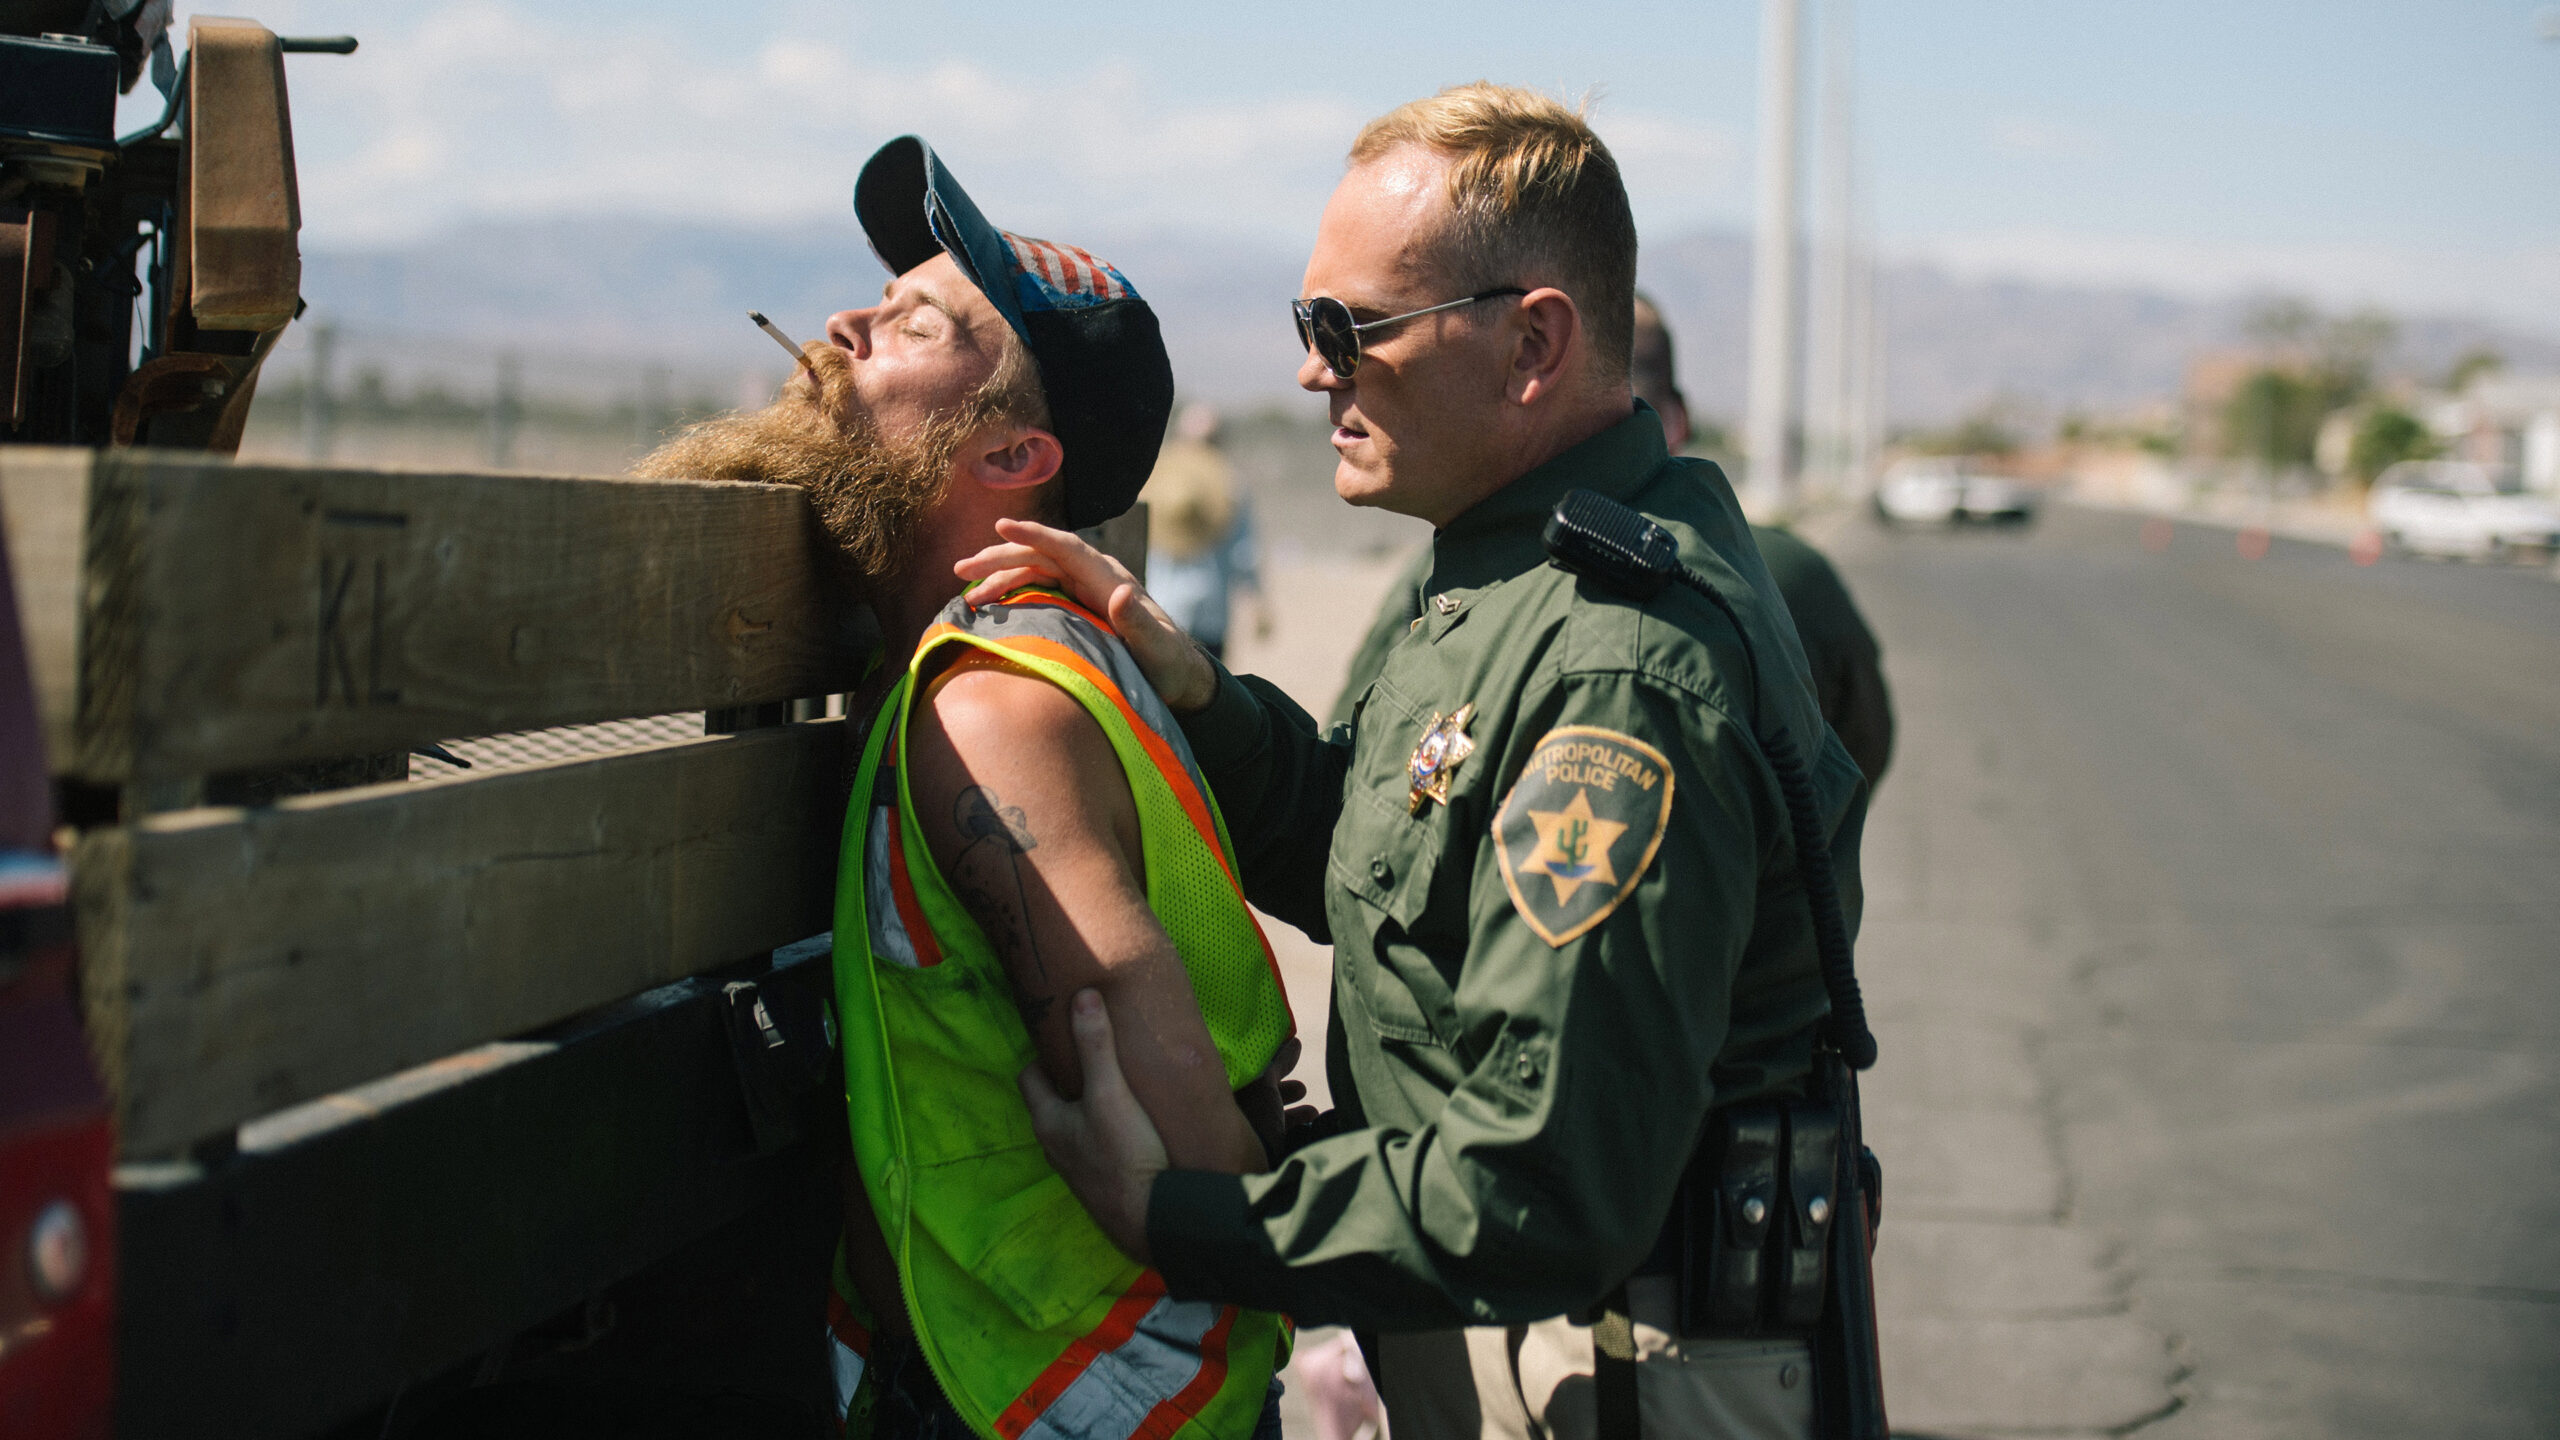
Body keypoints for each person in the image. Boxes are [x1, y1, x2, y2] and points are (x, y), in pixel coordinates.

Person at [956, 86, 1869, 1440]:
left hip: (1603, 1364)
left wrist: (1182, 1215)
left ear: (1532, 344)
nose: (1314, 371)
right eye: (1307, 325)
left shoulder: (1617, 668)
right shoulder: (1516, 569)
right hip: (1522, 1332)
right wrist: (1196, 690)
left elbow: (1539, 1185)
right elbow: (1386, 864)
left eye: (1352, 329)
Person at [636, 136, 1296, 1440]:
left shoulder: (988, 714)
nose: (844, 327)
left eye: (915, 325)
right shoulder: (978, 661)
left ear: (1009, 459)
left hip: (1069, 1399)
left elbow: (1165, 1108)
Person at [1330, 293, 1893, 789]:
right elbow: (1853, 759)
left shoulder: (1457, 569)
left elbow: (1356, 757)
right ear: (1678, 419)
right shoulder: (1786, 570)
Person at [1141, 403, 1272, 663]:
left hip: (1161, 607)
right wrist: (1258, 602)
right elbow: (1244, 554)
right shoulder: (1232, 485)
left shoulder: (1152, 481)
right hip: (1209, 613)